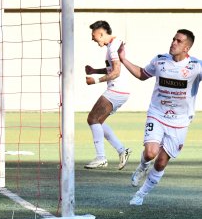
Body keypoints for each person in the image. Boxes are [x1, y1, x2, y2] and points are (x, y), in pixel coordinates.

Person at [118, 29, 202, 206]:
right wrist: (123, 59)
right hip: (157, 114)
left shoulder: (196, 66)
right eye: (173, 39)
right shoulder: (160, 60)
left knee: (162, 161)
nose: (173, 43)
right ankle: (142, 167)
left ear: (187, 47)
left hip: (180, 122)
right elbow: (142, 74)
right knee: (150, 153)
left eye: (178, 41)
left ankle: (141, 194)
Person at [84, 20, 132, 170]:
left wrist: (95, 80)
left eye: (94, 35)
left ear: (101, 33)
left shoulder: (113, 47)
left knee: (92, 119)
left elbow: (116, 72)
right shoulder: (113, 45)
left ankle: (101, 158)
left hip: (117, 90)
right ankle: (122, 150)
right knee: (99, 121)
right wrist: (94, 71)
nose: (92, 38)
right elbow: (112, 69)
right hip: (120, 91)